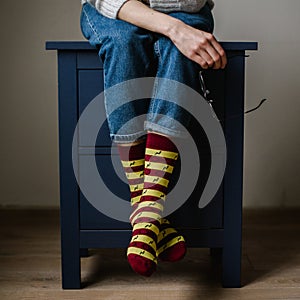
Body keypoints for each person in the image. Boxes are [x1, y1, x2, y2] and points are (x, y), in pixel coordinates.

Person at [80, 0, 227, 277]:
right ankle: (151, 209)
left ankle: (146, 211)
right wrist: (172, 27)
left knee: (182, 52)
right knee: (123, 41)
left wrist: (173, 25)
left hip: (186, 11)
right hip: (114, 12)